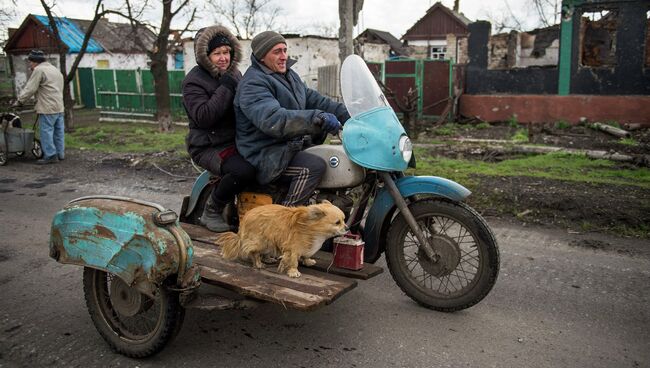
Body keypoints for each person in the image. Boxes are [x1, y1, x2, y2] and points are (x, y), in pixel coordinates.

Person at [235, 31, 350, 206]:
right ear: (261, 56)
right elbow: (273, 120)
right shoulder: (253, 83)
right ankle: (288, 223)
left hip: (288, 147)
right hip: (265, 153)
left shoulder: (289, 76)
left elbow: (316, 100)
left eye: (285, 50)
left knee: (335, 158)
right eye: (277, 52)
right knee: (313, 167)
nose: (283, 56)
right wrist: (316, 118)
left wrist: (352, 114)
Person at [182, 25, 256, 232]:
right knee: (244, 171)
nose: (223, 58)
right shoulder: (193, 82)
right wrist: (225, 87)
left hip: (235, 139)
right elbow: (204, 117)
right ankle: (211, 210)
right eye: (217, 53)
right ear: (205, 56)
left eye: (226, 52)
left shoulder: (234, 73)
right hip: (207, 146)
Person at [14, 50, 65, 164]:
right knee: (58, 131)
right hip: (59, 106)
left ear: (35, 62)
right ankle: (60, 154)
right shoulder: (54, 69)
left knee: (46, 131)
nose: (29, 64)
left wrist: (20, 101)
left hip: (47, 107)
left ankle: (51, 155)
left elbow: (30, 89)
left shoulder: (39, 70)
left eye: (30, 62)